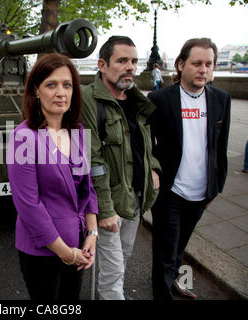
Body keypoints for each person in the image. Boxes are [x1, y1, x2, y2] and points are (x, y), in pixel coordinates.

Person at [6, 53, 99, 300]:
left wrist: (92, 234)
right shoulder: (23, 137)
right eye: (51, 85)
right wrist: (66, 253)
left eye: (67, 85)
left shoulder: (77, 131)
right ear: (36, 91)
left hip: (78, 245)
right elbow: (28, 205)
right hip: (43, 251)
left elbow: (87, 189)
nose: (61, 92)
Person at [148, 38, 231, 300]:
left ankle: (174, 281)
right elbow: (145, 141)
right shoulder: (160, 99)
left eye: (209, 64)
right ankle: (162, 293)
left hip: (202, 192)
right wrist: (151, 170)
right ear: (181, 65)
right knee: (165, 249)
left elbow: (221, 146)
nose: (203, 69)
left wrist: (217, 186)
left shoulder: (221, 99)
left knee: (180, 245)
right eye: (197, 63)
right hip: (170, 190)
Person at [81, 36, 161, 300]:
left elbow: (145, 144)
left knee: (122, 258)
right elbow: (92, 160)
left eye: (134, 61)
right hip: (110, 203)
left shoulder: (137, 100)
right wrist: (104, 210)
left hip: (135, 197)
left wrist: (153, 168)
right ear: (103, 65)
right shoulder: (88, 100)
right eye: (122, 60)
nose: (130, 67)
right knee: (114, 268)